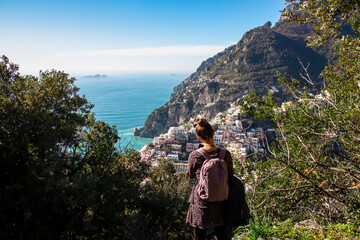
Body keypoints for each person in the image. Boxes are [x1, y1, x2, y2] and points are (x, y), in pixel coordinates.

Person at [186, 118, 234, 240]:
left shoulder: (195, 155)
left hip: (201, 201)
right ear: (213, 132)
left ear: (199, 137)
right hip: (221, 200)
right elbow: (230, 174)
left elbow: (190, 175)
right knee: (222, 234)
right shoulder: (225, 154)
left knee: (199, 234)